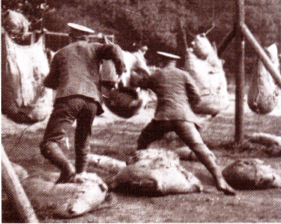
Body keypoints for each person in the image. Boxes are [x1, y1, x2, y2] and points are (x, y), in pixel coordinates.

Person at [130, 51, 236, 196]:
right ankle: (219, 180)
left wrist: (135, 71)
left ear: (161, 61)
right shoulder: (184, 75)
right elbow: (197, 97)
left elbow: (139, 83)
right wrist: (187, 106)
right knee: (199, 148)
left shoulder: (156, 76)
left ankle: (137, 170)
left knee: (143, 140)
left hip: (163, 118)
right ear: (174, 63)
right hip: (184, 118)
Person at [40, 23, 127, 183]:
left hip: (69, 98)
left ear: (70, 37)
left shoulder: (60, 53)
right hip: (92, 101)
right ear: (86, 38)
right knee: (82, 139)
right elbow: (114, 48)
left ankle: (67, 169)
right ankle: (81, 174)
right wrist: (120, 68)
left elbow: (51, 82)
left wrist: (41, 80)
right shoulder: (94, 48)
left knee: (49, 143)